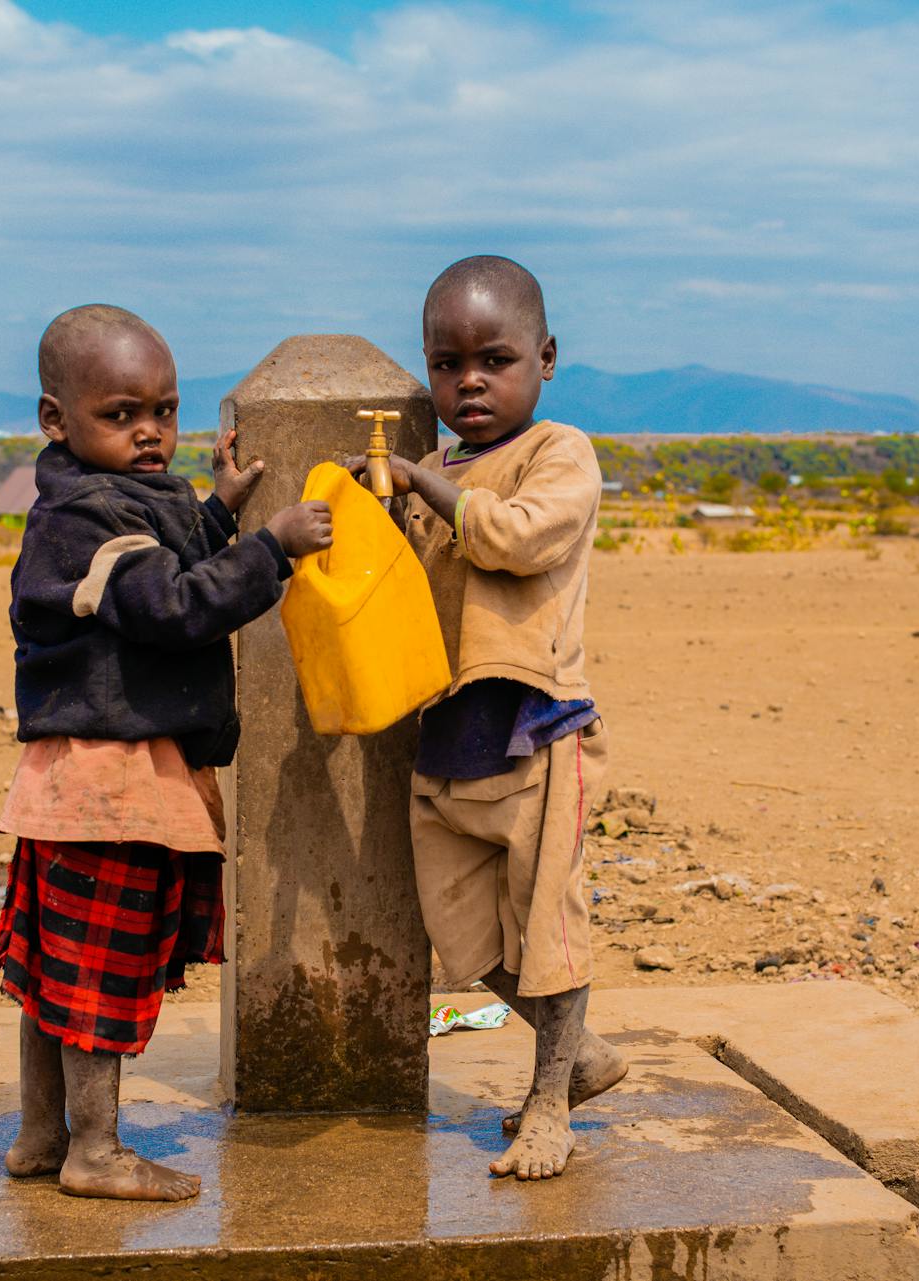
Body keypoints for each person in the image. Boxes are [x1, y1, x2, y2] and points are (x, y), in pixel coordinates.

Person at [0, 304, 332, 1201]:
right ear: (56, 419)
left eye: (164, 413)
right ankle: (94, 1152)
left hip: (81, 780)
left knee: (53, 967)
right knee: (98, 971)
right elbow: (171, 605)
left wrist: (219, 509)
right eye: (122, 414)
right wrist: (272, 549)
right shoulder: (81, 518)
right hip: (112, 784)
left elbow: (159, 572)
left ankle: (38, 1135)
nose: (150, 434)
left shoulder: (95, 499)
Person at [354, 255, 625, 1182]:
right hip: (446, 733)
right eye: (446, 361)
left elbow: (513, 537)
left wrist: (421, 487)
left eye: (494, 358)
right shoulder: (430, 472)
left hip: (536, 729)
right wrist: (373, 511)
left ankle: (549, 1106)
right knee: (463, 932)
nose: (468, 380)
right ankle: (578, 1050)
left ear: (545, 359)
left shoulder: (560, 453)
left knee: (548, 922)